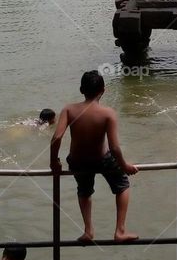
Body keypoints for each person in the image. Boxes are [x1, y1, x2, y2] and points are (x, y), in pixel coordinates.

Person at [50, 70, 139, 243]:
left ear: (81, 90)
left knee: (84, 191)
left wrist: (54, 161)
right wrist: (125, 166)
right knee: (122, 185)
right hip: (102, 160)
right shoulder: (108, 113)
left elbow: (57, 137)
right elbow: (114, 147)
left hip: (77, 162)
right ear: (103, 90)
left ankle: (88, 231)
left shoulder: (69, 109)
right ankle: (120, 231)